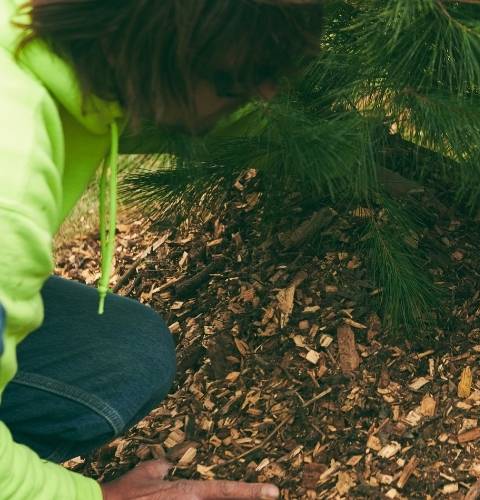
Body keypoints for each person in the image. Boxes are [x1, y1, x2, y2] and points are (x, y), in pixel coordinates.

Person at [0, 1, 323, 499]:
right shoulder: (10, 193)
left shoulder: (60, 36)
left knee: (125, 354)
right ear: (166, 54)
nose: (263, 97)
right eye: (238, 85)